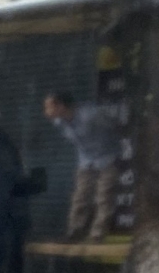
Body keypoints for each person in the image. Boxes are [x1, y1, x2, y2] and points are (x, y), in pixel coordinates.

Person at [43, 90, 122, 241]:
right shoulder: (59, 122)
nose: (46, 112)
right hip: (86, 160)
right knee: (80, 196)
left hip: (108, 157)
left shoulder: (92, 115)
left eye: (49, 107)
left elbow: (114, 126)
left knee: (104, 196)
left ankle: (97, 235)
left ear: (60, 106)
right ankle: (75, 232)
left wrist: (114, 150)